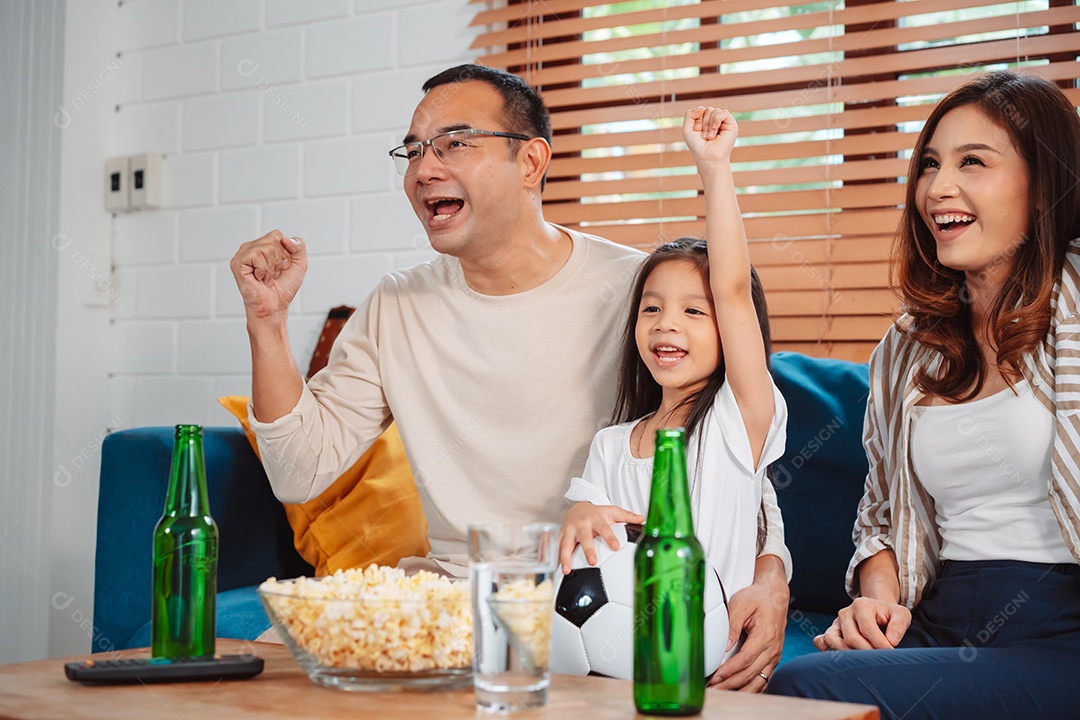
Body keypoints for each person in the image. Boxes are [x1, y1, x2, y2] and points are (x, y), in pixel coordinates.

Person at [230, 64, 790, 690]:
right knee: (268, 672)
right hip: (451, 595)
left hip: (593, 601)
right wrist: (268, 325)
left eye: (454, 143)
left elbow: (724, 450)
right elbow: (297, 469)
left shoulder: (642, 295)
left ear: (531, 162)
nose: (423, 169)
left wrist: (769, 575)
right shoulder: (396, 306)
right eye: (413, 151)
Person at [767, 70, 1080, 718]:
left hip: (1060, 635)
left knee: (808, 693)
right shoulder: (908, 347)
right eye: (931, 164)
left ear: (1044, 183)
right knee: (789, 681)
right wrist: (877, 600)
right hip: (939, 619)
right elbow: (882, 515)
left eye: (974, 162)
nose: (939, 188)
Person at [558, 107, 789, 690]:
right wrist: (580, 513)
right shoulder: (611, 445)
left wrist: (714, 168)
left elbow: (734, 291)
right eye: (652, 308)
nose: (667, 325)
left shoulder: (739, 423)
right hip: (613, 663)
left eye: (694, 311)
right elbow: (583, 535)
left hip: (712, 667)